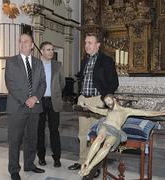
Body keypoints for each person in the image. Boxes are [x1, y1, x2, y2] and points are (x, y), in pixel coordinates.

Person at [77, 94, 165, 177]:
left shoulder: (125, 111)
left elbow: (146, 113)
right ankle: (86, 162)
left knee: (107, 146)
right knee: (100, 138)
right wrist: (85, 105)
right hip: (105, 126)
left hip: (115, 131)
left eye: (108, 100)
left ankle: (89, 168)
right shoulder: (108, 111)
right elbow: (95, 109)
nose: (107, 103)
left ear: (114, 99)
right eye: (106, 102)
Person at [68, 32, 119, 178]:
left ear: (98, 45)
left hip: (98, 100)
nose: (86, 45)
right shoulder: (84, 61)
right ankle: (82, 161)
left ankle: (94, 165)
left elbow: (114, 82)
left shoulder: (106, 60)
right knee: (83, 133)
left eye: (90, 43)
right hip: (84, 100)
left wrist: (105, 98)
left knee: (97, 134)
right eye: (85, 43)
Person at [5, 33, 46, 180]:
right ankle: (14, 170)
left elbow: (43, 83)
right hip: (17, 107)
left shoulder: (38, 63)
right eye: (20, 41)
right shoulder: (11, 62)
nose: (22, 44)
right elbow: (11, 84)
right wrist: (26, 100)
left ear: (32, 45)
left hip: (34, 108)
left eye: (26, 41)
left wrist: (35, 98)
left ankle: (29, 164)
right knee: (15, 140)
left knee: (31, 138)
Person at [37, 41, 65, 168]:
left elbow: (62, 83)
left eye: (52, 49)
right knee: (40, 131)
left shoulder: (58, 65)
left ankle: (57, 158)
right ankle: (41, 157)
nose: (51, 52)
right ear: (42, 51)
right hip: (39, 102)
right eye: (48, 49)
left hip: (53, 101)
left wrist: (55, 92)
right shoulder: (36, 65)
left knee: (54, 131)